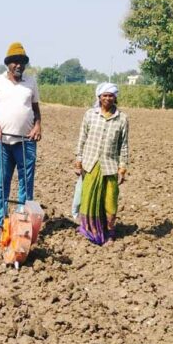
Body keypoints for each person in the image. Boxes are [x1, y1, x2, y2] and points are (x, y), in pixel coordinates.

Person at [0, 42, 42, 232]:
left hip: (26, 141)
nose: (18, 65)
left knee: (26, 183)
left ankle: (22, 223)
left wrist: (37, 126)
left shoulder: (30, 82)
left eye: (22, 62)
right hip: (4, 142)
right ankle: (0, 222)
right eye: (15, 61)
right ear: (8, 63)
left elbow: (36, 110)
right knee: (2, 182)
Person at [74, 82, 129, 244]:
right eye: (105, 95)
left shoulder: (122, 118)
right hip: (90, 164)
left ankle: (109, 231)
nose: (108, 98)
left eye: (111, 95)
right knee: (88, 197)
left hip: (110, 166)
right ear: (99, 97)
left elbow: (124, 145)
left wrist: (122, 168)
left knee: (110, 200)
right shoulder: (90, 114)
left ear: (115, 97)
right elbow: (82, 138)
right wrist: (78, 160)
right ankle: (89, 230)